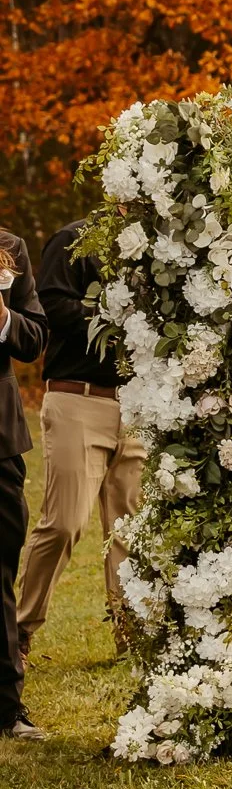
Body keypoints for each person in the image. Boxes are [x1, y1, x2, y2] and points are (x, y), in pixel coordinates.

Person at [17, 221, 146, 662]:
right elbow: (50, 306)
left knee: (130, 529)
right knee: (65, 523)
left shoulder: (166, 245)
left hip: (140, 405)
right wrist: (119, 316)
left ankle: (130, 637)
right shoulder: (74, 239)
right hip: (77, 399)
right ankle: (19, 628)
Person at [0, 227, 49, 740]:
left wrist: (4, 319)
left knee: (0, 571)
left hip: (0, 436)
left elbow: (36, 337)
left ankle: (6, 708)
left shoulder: (9, 248)